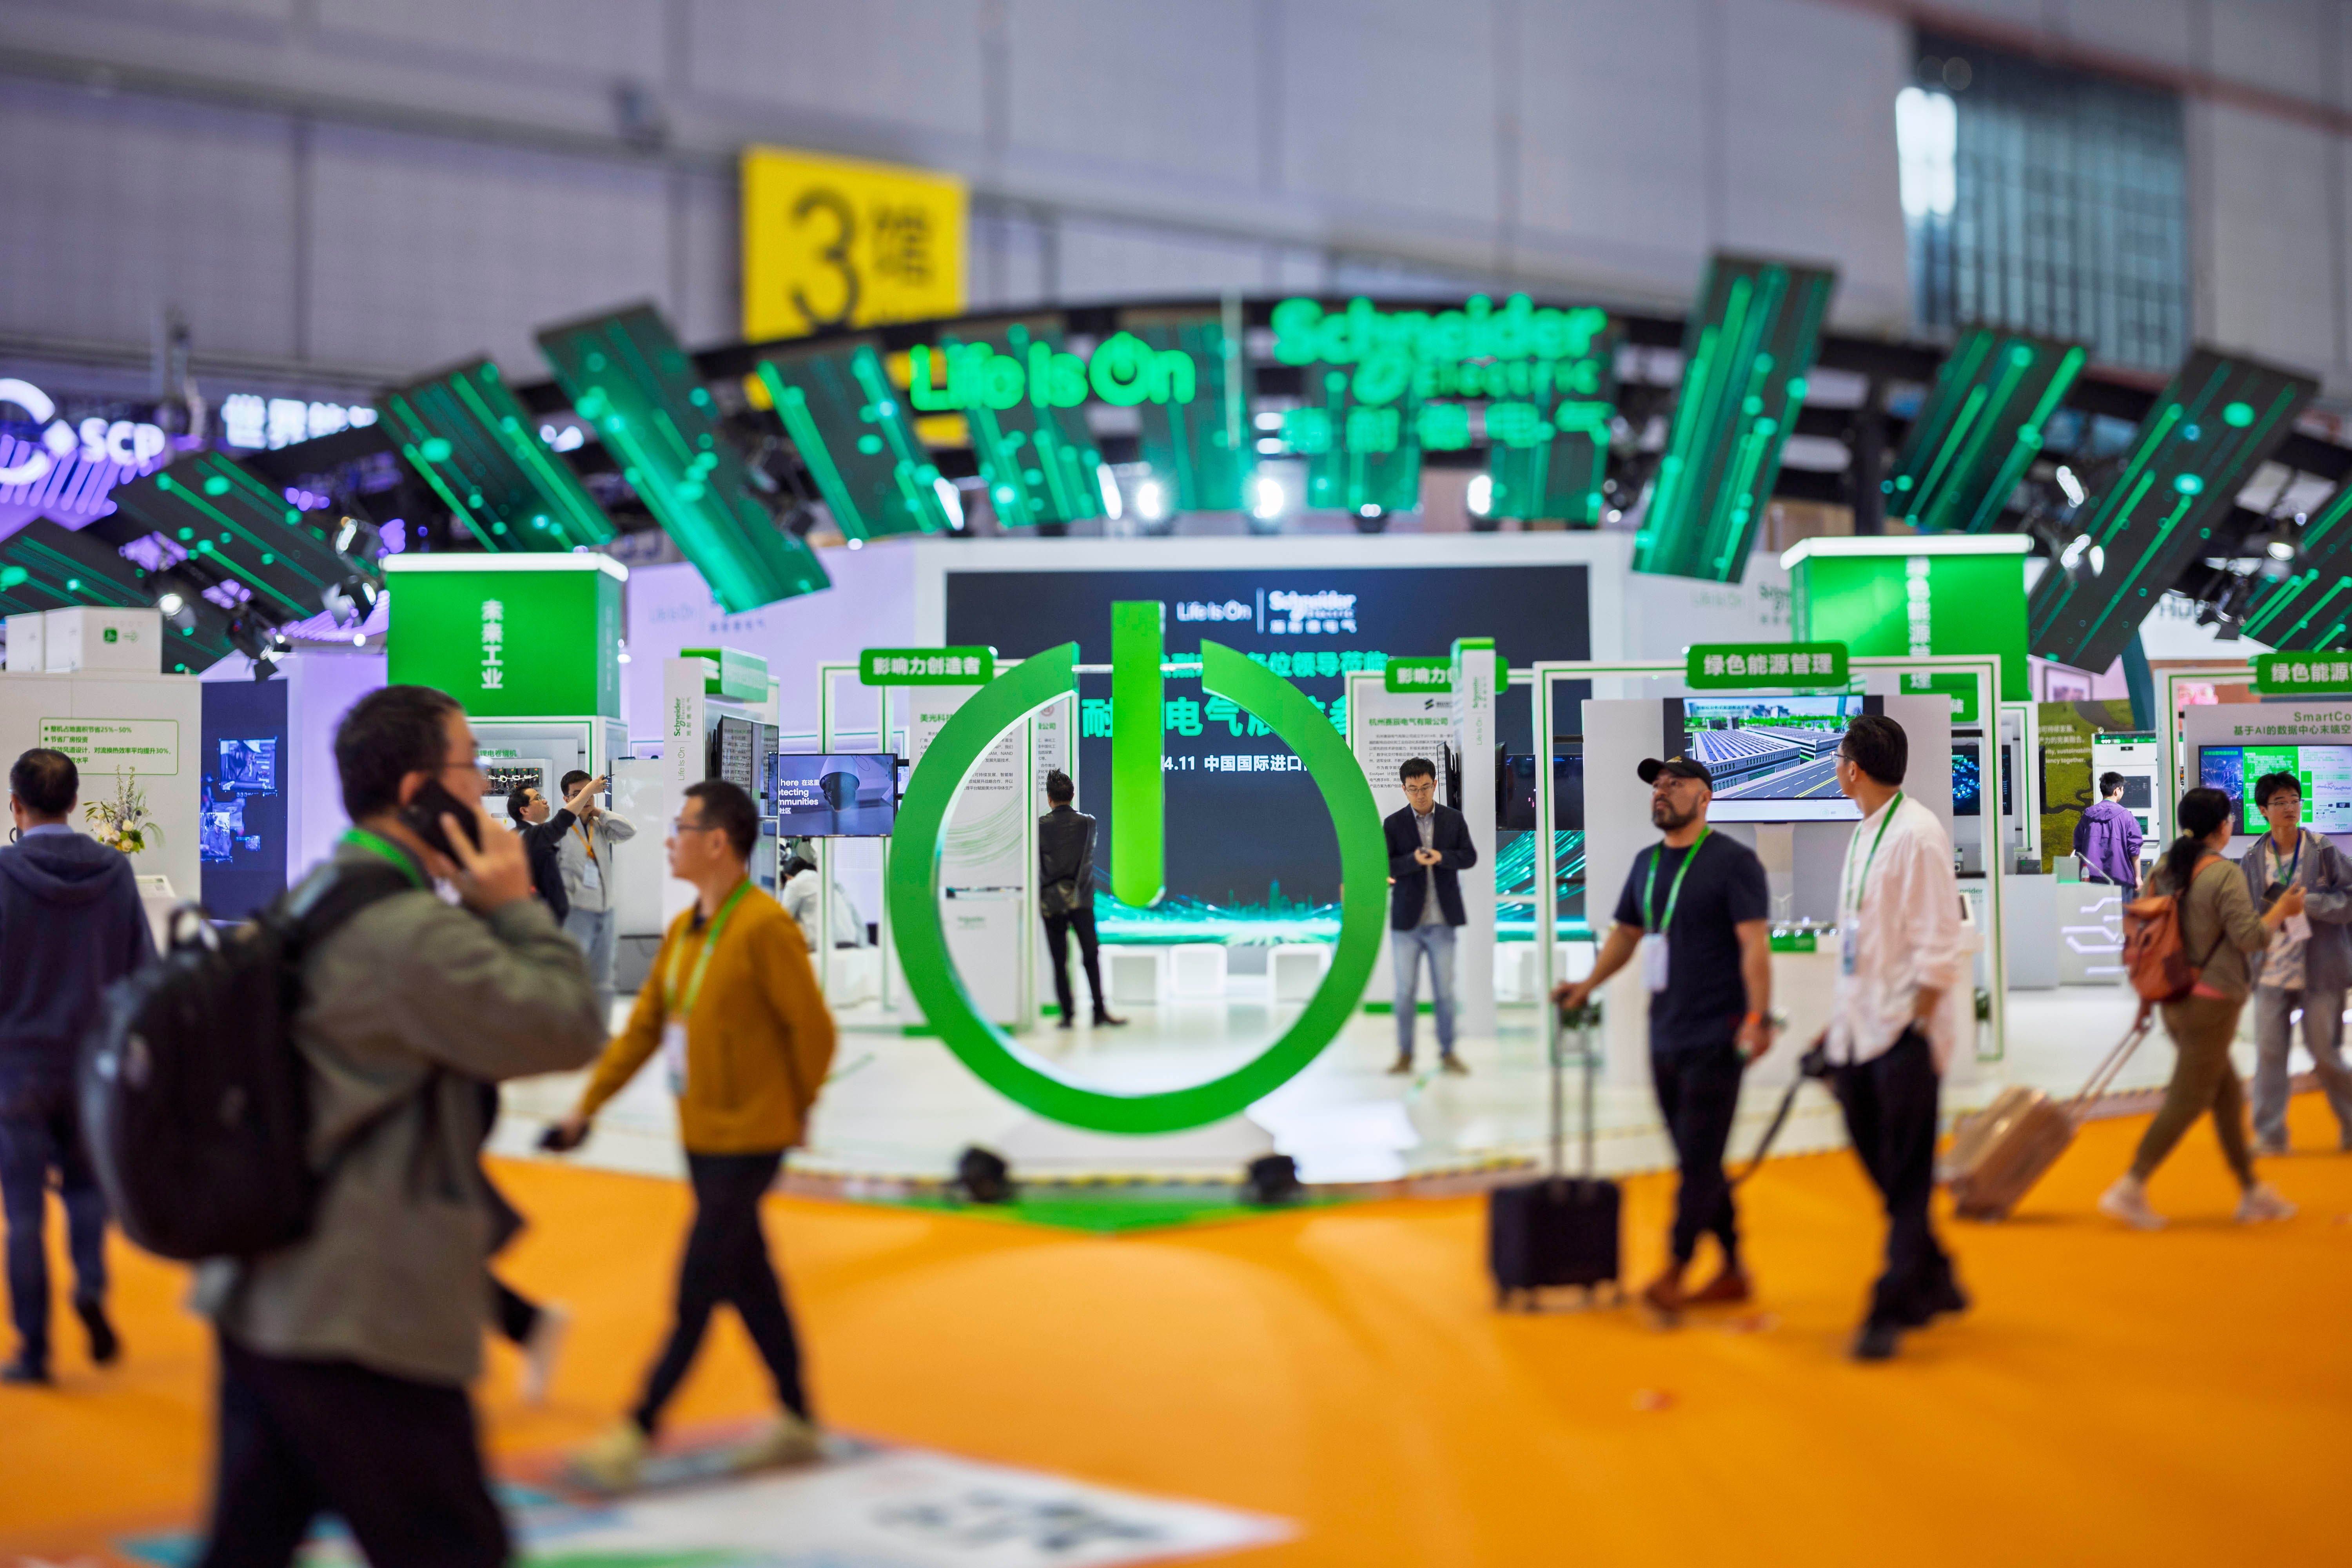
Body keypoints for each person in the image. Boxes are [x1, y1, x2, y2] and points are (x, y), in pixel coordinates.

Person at [190, 686, 605, 1568]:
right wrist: (512, 904)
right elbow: (567, 1022)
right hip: (363, 1311)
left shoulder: (318, 893)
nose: (487, 780)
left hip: (269, 1291)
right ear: (422, 789)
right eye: (472, 761)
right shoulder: (406, 930)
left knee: (249, 1542)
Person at [553, 779, 838, 1491]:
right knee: (750, 1278)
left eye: (680, 827)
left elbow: (814, 1031)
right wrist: (587, 1105)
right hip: (702, 1131)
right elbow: (647, 1028)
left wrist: (796, 1107)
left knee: (698, 1282)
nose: (668, 838)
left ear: (717, 843)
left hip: (752, 1135)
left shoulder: (764, 927)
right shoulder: (687, 933)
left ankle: (636, 1431)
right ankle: (800, 1418)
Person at [1553, 754, 1771, 1323]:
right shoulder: (1646, 865)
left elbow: (1754, 945)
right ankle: (1734, 1269)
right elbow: (1628, 934)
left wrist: (1759, 1017)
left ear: (1705, 797)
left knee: (1698, 1159)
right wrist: (1587, 985)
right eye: (1656, 784)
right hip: (1665, 1032)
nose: (1661, 792)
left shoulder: (1734, 863)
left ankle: (1675, 1270)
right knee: (1699, 1157)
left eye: (1675, 784)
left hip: (1718, 1032)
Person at [0, 748, 154, 1385]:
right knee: (88, 1189)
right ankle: (90, 1284)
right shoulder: (115, 870)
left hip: (16, 1065)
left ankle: (35, 1351)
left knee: (24, 1211)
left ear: (16, 804)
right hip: (92, 1062)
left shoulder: (3, 872)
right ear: (73, 800)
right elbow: (140, 971)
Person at [1822, 714, 1969, 1363]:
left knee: (1905, 1179)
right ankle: (1937, 1274)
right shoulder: (1863, 834)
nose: (1835, 766)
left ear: (1854, 767)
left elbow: (1941, 946)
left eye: (1839, 757)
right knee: (1884, 1167)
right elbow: (1864, 943)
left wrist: (1914, 1029)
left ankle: (1891, 1303)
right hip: (1859, 1032)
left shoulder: (1919, 835)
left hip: (1903, 1035)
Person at [2098, 786, 2302, 1232]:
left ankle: (2252, 1191)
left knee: (2227, 1096)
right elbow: (2250, 938)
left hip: (2174, 998)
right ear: (2223, 826)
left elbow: (2152, 936)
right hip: (2213, 1002)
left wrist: (2146, 1001)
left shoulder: (2166, 868)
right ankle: (2131, 1184)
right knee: (2189, 1099)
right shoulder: (2222, 874)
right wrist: (2283, 908)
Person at [2238, 770, 2352, 1154]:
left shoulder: (2322, 850)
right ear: (2262, 811)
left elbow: (2349, 901)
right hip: (2272, 970)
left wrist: (2312, 904)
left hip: (2321, 970)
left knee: (2326, 1055)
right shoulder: (2253, 859)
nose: (2289, 808)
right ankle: (2270, 1133)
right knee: (2270, 1055)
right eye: (2280, 802)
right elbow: (2249, 916)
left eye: (2294, 800)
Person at [1385, 757, 1477, 1075]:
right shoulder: (1394, 824)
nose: (1420, 795)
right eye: (1413, 789)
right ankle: (1405, 1053)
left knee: (1445, 993)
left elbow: (1469, 857)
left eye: (1425, 787)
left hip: (1442, 921)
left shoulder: (1453, 820)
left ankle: (1448, 1051)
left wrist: (1441, 858)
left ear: (1435, 784)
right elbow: (1387, 867)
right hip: (1407, 922)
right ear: (1404, 789)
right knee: (1404, 993)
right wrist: (1413, 860)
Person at [1037, 771, 1123, 1030]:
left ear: (1049, 798)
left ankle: (1068, 1015)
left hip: (1051, 901)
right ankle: (1099, 1011)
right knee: (1090, 955)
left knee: (1059, 960)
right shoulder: (1089, 823)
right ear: (1072, 796)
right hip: (1081, 899)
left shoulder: (1040, 825)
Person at [554, 770, 634, 1018]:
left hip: (605, 911)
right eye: (578, 794)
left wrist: (599, 812)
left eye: (589, 792)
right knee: (573, 975)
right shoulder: (558, 829)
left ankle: (601, 1033)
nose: (586, 799)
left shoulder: (599, 826)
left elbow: (628, 831)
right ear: (567, 799)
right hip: (576, 912)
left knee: (603, 979)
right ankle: (570, 1032)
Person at [780, 854, 871, 955]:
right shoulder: (832, 882)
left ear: (788, 877)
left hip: (823, 949)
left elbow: (783, 921)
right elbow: (856, 917)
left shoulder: (794, 885)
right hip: (851, 944)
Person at [2074, 772, 2145, 886]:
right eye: (2122, 790)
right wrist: (2138, 878)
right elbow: (2134, 850)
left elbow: (2079, 847)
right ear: (2117, 791)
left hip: (2091, 880)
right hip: (2121, 880)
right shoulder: (2127, 817)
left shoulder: (2088, 815)